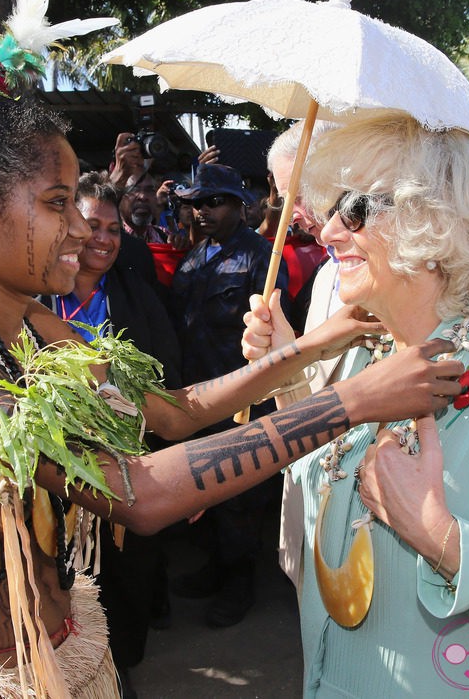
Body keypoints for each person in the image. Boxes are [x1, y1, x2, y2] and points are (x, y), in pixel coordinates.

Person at [0, 45, 466, 698]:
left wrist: (314, 345)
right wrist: (352, 401)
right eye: (58, 203)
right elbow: (136, 493)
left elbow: (171, 411)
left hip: (57, 653)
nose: (85, 231)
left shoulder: (28, 325)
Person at [244, 113, 469, 696]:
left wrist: (438, 535)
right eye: (332, 210)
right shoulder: (370, 347)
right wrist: (286, 371)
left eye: (355, 210)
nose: (329, 233)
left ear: (433, 221)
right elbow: (325, 474)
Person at [44, 171, 179, 696]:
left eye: (113, 229)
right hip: (52, 465)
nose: (102, 238)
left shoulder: (135, 296)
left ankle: (118, 672)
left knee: (125, 574)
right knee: (62, 573)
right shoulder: (36, 295)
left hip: (125, 463)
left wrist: (176, 457)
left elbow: (170, 381)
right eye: (92, 224)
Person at [168, 162, 291, 628]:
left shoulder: (263, 257)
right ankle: (214, 571)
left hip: (244, 398)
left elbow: (279, 334)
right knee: (204, 490)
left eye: (213, 201)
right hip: (199, 398)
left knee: (240, 497)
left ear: (240, 206)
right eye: (195, 202)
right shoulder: (195, 257)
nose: (202, 211)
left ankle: (239, 586)